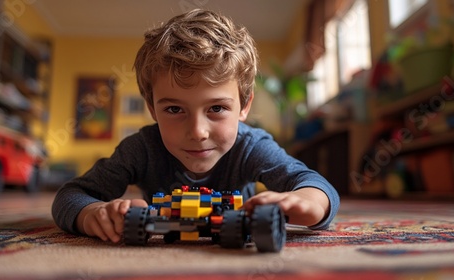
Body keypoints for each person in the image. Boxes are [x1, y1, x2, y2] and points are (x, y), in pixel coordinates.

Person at [52, 9, 340, 243]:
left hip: (233, 225)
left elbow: (314, 185)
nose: (198, 132)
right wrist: (92, 214)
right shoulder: (141, 149)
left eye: (216, 108)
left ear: (244, 106)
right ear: (152, 108)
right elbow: (71, 195)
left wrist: (308, 202)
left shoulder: (250, 145)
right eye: (175, 109)